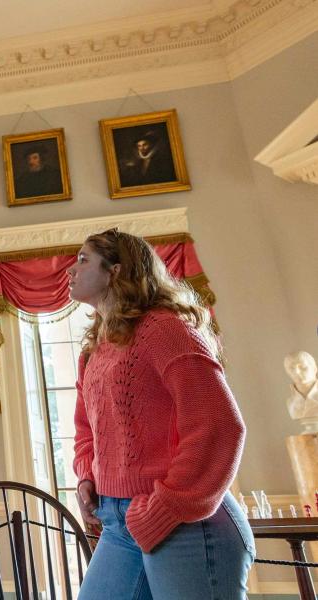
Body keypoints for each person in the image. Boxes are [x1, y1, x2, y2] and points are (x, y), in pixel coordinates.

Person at [68, 228, 253, 600]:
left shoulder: (165, 328)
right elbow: (87, 428)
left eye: (83, 260)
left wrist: (163, 509)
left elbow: (219, 426)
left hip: (187, 522)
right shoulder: (94, 349)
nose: (70, 270)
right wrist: (88, 474)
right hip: (118, 523)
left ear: (115, 271)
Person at [284, 350, 318, 427]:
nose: (297, 372)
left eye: (303, 367)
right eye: (292, 368)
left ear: (314, 368)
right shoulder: (291, 403)